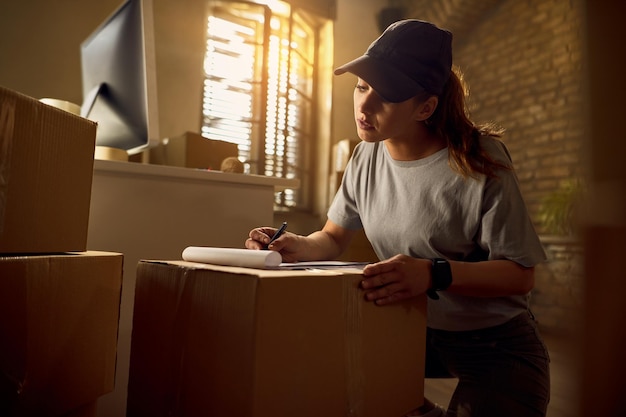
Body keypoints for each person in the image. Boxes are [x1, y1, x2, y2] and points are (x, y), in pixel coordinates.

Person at [245, 19, 550, 417]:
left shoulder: (480, 159)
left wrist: (432, 273)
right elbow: (333, 239)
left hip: (495, 345)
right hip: (412, 330)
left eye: (386, 95)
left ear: (425, 106)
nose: (365, 106)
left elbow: (520, 274)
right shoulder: (365, 156)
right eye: (361, 87)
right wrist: (293, 245)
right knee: (324, 378)